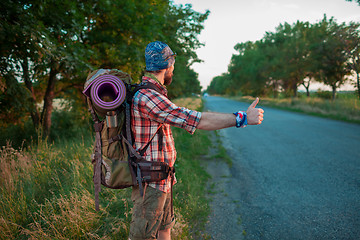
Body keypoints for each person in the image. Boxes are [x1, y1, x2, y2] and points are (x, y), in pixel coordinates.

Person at [129, 41, 264, 240]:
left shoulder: (153, 93)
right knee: (141, 237)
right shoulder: (148, 96)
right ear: (168, 65)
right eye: (173, 64)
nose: (173, 69)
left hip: (162, 178)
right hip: (151, 183)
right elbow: (196, 120)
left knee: (164, 229)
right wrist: (241, 118)